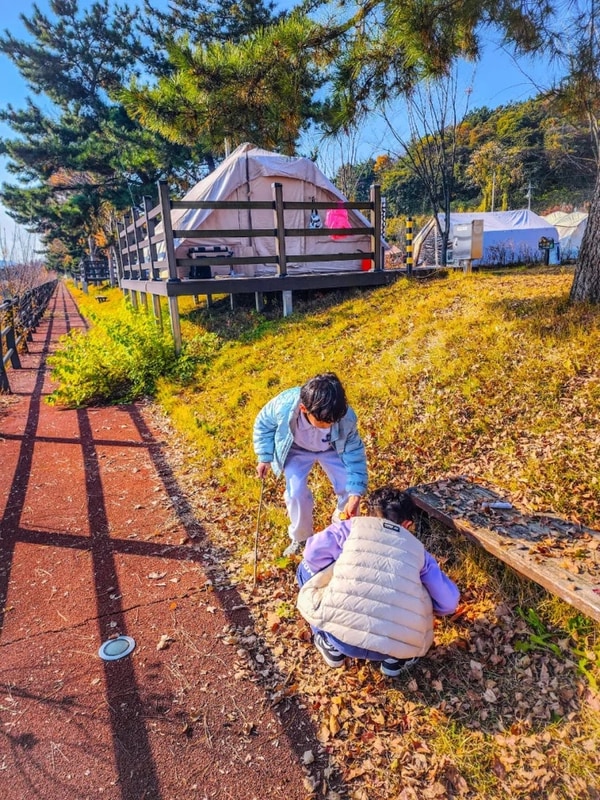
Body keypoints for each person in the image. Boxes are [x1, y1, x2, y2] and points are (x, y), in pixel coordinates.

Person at [296, 486, 460, 676]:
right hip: (397, 644)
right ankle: (397, 660)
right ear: (407, 524)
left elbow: (312, 554)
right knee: (421, 587)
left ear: (369, 513)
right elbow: (449, 602)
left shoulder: (349, 528)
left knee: (305, 568)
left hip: (341, 637)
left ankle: (329, 642)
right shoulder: (418, 551)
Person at [253, 373, 368, 557]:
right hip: (297, 450)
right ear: (303, 408)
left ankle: (342, 529)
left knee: (348, 486)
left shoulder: (345, 417)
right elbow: (263, 424)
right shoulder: (284, 405)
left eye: (332, 421)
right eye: (323, 422)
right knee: (296, 493)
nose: (328, 425)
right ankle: (301, 538)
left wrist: (356, 494)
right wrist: (264, 456)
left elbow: (354, 455)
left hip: (332, 448)